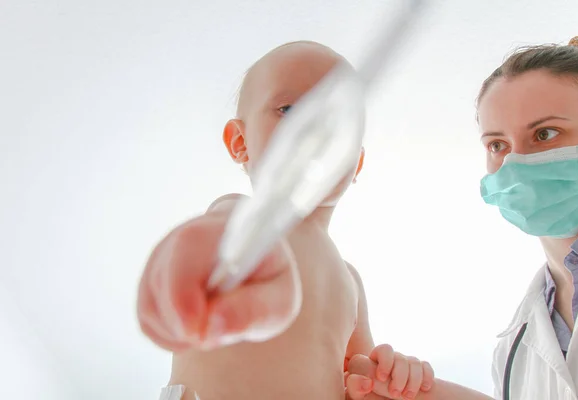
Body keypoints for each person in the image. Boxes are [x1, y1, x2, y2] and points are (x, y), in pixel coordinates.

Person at [136, 41, 435, 400]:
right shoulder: (236, 215)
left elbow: (362, 379)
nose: (317, 129)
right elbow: (197, 252)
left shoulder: (351, 282)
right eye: (289, 109)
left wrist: (394, 372)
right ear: (240, 142)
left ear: (356, 162)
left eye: (340, 121)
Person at [348, 34, 578, 400]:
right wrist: (428, 394)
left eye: (545, 134)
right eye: (497, 145)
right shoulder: (515, 345)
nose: (515, 162)